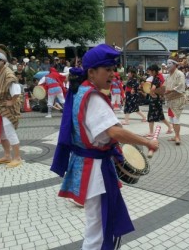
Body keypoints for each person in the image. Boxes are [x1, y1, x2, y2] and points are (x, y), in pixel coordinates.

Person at [50, 44, 159, 250]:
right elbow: (114, 132)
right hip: (95, 170)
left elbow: (102, 131)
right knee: (100, 228)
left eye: (113, 69)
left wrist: (137, 136)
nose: (112, 74)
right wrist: (147, 142)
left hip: (87, 165)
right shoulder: (93, 97)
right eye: (107, 69)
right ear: (91, 72)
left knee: (96, 224)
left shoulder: (80, 90)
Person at [0, 44, 22, 168]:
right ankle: (7, 156)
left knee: (9, 131)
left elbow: (16, 90)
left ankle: (17, 157)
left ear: (3, 61)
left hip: (8, 108)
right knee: (2, 133)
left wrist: (12, 101)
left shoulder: (8, 73)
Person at [145, 64, 173, 137]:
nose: (149, 72)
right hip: (157, 99)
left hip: (154, 100)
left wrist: (151, 93)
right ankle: (170, 127)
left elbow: (153, 88)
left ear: (154, 71)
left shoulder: (155, 78)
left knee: (151, 115)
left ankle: (151, 132)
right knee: (160, 115)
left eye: (150, 71)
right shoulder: (157, 77)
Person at [164, 56, 187, 145]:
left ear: (175, 65)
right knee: (172, 119)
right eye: (167, 63)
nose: (167, 65)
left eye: (170, 63)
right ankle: (176, 135)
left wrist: (171, 89)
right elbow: (164, 85)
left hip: (178, 99)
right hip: (170, 100)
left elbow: (181, 85)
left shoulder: (180, 74)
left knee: (175, 118)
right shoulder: (168, 75)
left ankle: (177, 137)